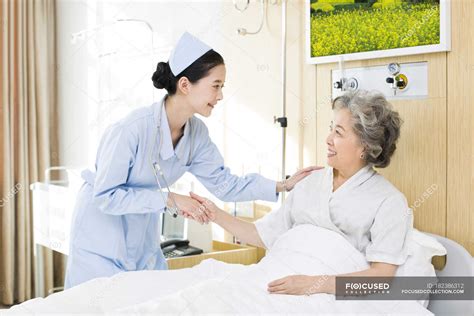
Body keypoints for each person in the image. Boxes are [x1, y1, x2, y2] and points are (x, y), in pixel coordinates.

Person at [64, 32, 318, 289]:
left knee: (146, 300)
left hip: (140, 232)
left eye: (222, 87)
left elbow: (225, 184)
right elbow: (105, 196)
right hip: (100, 235)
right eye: (216, 85)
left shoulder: (196, 134)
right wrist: (170, 199)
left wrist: (282, 185)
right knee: (95, 303)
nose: (220, 96)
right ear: (185, 85)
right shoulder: (131, 130)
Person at [193, 90, 413, 296]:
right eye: (331, 128)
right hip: (277, 279)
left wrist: (315, 284)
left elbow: (381, 278)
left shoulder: (388, 201)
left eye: (338, 132)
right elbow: (264, 234)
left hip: (324, 295)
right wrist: (215, 214)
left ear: (366, 146)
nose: (327, 139)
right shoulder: (311, 182)